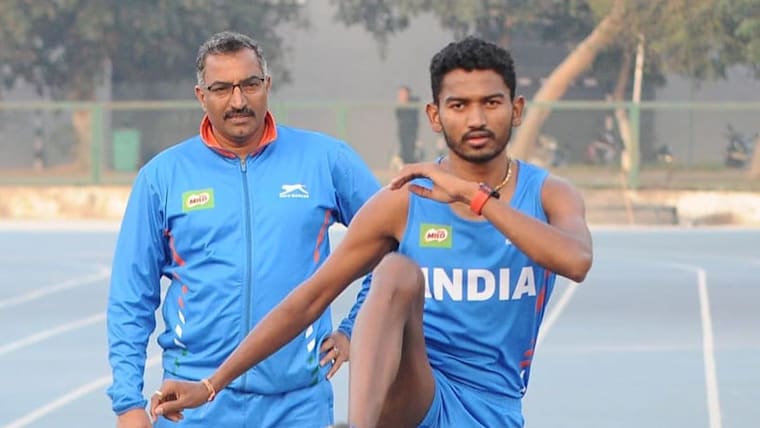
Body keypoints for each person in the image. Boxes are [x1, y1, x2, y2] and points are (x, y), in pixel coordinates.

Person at [150, 36, 593, 428]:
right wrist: (211, 384)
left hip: (495, 404)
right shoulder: (404, 201)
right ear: (435, 116)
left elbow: (576, 261)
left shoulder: (550, 195)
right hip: (416, 396)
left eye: (491, 103)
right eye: (459, 106)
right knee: (397, 272)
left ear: (516, 110)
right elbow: (307, 300)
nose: (476, 118)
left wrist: (473, 197)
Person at [106, 31, 380, 428]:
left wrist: (355, 328)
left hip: (297, 405)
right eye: (221, 89)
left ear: (267, 85)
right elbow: (131, 297)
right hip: (192, 405)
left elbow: (394, 242)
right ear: (201, 96)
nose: (238, 101)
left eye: (249, 85)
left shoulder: (326, 160)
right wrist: (127, 402)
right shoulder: (161, 178)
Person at [395, 85, 420, 164]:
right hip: (402, 130)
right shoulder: (399, 106)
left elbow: (415, 112)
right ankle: (405, 162)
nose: (401, 96)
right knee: (404, 148)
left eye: (403, 93)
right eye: (400, 94)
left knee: (411, 148)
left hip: (411, 131)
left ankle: (411, 163)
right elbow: (398, 116)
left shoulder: (414, 102)